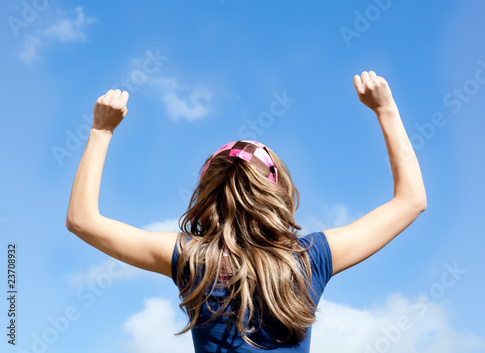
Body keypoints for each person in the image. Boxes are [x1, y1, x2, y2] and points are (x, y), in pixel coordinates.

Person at [66, 70, 426, 352]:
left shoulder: (190, 259)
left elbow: (83, 221)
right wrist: (386, 110)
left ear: (207, 194)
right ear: (278, 191)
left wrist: (101, 129)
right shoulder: (310, 258)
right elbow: (411, 200)